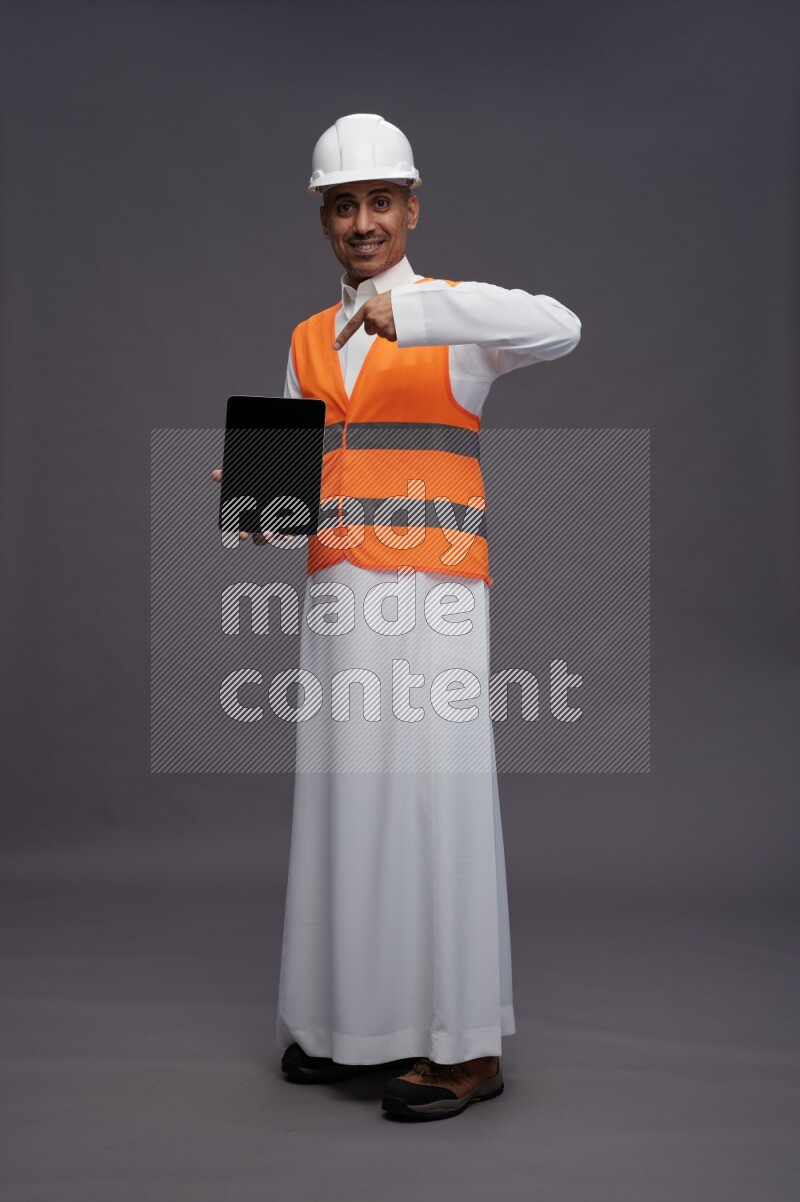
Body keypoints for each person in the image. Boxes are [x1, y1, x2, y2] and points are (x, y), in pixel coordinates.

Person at [215, 113, 581, 1121]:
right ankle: (352, 1029)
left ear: (412, 209)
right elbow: (285, 499)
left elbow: (561, 325)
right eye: (344, 206)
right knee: (347, 806)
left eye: (380, 202)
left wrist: (414, 315)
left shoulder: (452, 320)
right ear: (323, 220)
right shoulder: (304, 339)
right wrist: (255, 507)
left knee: (436, 802)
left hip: (433, 596)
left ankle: (465, 1050)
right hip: (337, 599)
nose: (363, 223)